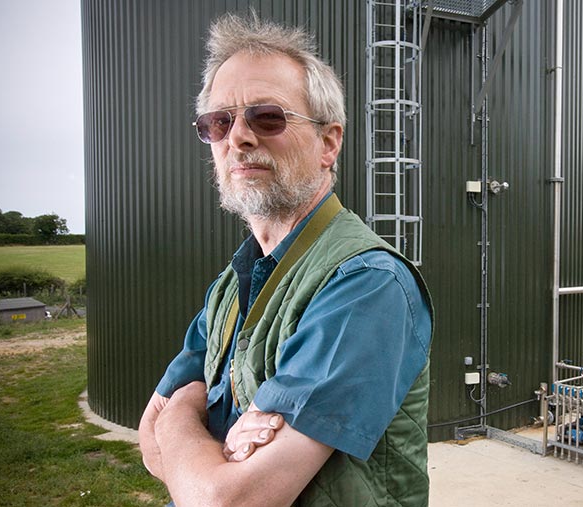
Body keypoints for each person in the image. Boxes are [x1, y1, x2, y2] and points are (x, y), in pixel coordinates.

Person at [138, 13, 433, 507]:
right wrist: (183, 425)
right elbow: (149, 441)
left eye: (267, 117)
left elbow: (228, 501)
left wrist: (183, 419)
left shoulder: (366, 283)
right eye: (218, 122)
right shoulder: (233, 284)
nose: (239, 138)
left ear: (328, 142)